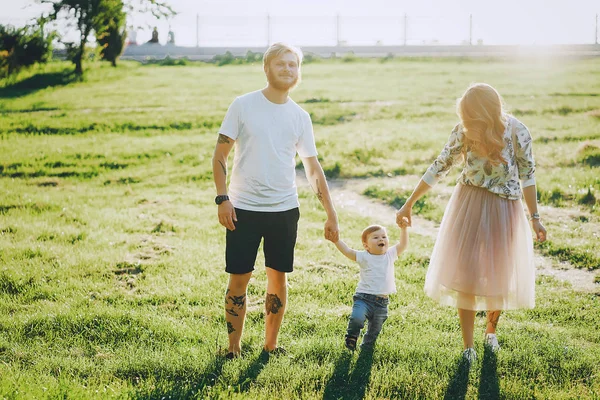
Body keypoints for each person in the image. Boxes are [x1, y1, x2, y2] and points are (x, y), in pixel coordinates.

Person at [395, 83, 547, 364]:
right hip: (469, 205)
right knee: (466, 272)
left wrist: (535, 218)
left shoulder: (518, 131)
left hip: (505, 208)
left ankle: (491, 332)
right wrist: (409, 202)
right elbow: (439, 166)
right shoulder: (464, 131)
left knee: (498, 272)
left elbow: (528, 175)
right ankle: (468, 348)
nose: (465, 118)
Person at [211, 43, 339, 359]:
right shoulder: (242, 105)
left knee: (277, 277)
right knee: (239, 278)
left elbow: (312, 168)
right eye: (281, 64)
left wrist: (330, 213)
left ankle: (270, 346)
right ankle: (233, 348)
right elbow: (219, 156)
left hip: (284, 210)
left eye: (293, 65)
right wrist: (223, 199)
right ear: (267, 68)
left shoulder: (300, 116)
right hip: (243, 209)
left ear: (299, 72)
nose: (287, 70)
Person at [333, 222, 409, 351]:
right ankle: (352, 336)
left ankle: (367, 348)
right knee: (357, 318)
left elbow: (403, 245)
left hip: (382, 303)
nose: (381, 239)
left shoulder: (390, 255)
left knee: (375, 329)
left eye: (384, 237)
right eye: (376, 237)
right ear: (366, 246)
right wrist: (336, 241)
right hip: (363, 298)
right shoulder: (364, 257)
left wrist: (404, 228)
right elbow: (347, 251)